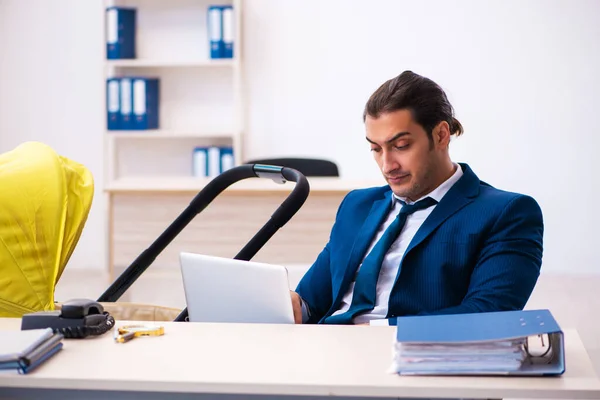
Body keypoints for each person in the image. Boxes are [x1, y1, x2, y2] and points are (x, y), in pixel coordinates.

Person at [290, 70, 544, 326]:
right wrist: (288, 304)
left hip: (407, 356)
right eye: (376, 149)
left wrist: (373, 331)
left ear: (441, 135)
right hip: (327, 350)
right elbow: (310, 303)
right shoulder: (357, 206)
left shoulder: (507, 213)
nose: (387, 165)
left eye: (401, 146)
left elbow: (487, 315)